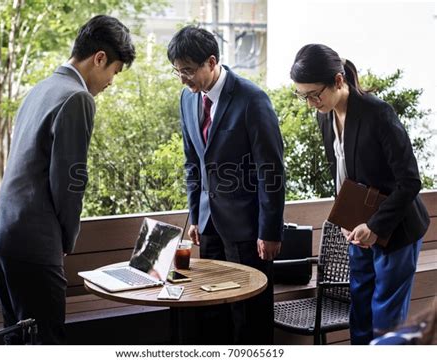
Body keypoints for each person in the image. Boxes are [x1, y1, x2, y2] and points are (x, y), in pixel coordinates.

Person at [0, 15, 135, 344]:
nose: (111, 82)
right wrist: (66, 239)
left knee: (19, 340)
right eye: (114, 72)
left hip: (3, 235)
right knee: (46, 341)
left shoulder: (42, 88)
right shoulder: (77, 97)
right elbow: (70, 180)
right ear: (100, 58)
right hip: (34, 241)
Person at [290, 44, 430, 345]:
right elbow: (345, 178)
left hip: (395, 229)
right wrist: (347, 219)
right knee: (360, 311)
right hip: (356, 228)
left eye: (315, 94)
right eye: (303, 96)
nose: (311, 103)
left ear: (339, 81)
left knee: (385, 317)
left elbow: (410, 181)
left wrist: (375, 226)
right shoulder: (325, 116)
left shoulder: (377, 113)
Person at [167, 25, 285, 344]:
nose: (183, 80)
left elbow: (271, 170)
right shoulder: (187, 99)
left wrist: (270, 230)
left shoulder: (252, 99)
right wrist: (195, 217)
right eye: (177, 72)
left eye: (188, 71)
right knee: (211, 315)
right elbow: (193, 164)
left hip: (249, 230)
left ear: (211, 61)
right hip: (208, 227)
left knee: (249, 317)